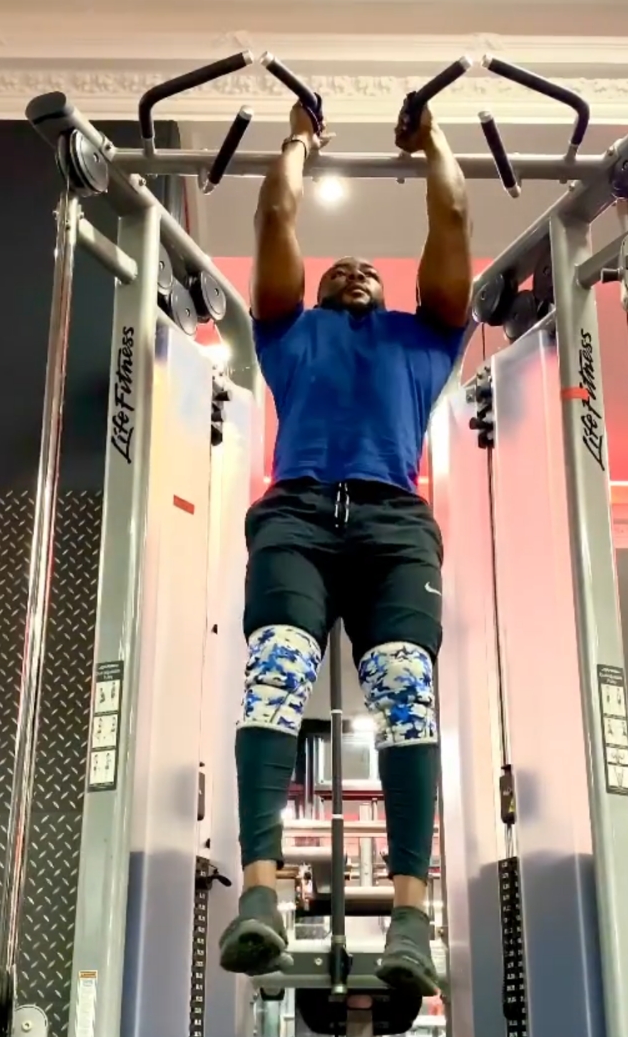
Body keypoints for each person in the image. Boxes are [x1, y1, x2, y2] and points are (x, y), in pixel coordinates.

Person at [218, 98, 472, 997]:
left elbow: (453, 212)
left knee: (405, 695)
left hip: (393, 525)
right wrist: (297, 139)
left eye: (370, 268)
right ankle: (258, 896)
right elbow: (273, 214)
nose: (356, 270)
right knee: (275, 674)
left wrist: (432, 141)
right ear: (316, 289)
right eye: (340, 268)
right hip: (294, 516)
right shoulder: (287, 331)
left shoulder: (426, 338)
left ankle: (410, 917)